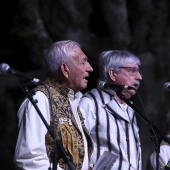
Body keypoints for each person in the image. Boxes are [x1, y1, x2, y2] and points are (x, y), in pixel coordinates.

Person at [14, 40, 94, 170]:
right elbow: (28, 159)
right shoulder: (40, 99)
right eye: (83, 62)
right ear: (65, 69)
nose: (90, 68)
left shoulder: (73, 100)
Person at [79, 50, 143, 170]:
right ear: (112, 74)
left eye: (139, 71)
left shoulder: (129, 108)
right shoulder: (91, 103)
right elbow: (74, 146)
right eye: (132, 70)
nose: (139, 77)